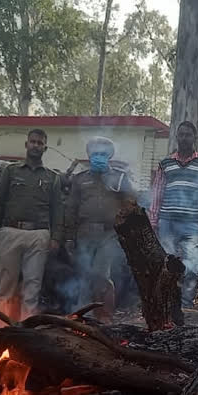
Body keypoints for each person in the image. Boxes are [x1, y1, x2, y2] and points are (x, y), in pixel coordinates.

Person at [0, 129, 62, 322]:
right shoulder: (11, 171)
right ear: (26, 144)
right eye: (33, 142)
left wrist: (55, 237)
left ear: (45, 147)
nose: (36, 145)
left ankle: (26, 334)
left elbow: (57, 209)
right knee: (5, 285)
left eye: (40, 143)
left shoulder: (52, 177)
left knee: (32, 286)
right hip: (10, 232)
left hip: (39, 235)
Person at [63, 136, 135, 323]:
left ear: (110, 155)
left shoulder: (119, 178)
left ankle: (104, 317)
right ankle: (79, 317)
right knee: (83, 274)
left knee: (102, 276)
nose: (99, 157)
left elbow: (131, 204)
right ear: (88, 155)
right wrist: (69, 238)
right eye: (95, 153)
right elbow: (71, 209)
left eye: (103, 153)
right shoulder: (80, 180)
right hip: (85, 233)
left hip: (109, 235)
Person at [148, 121, 198, 310]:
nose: (184, 138)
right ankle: (166, 304)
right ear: (176, 137)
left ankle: (186, 305)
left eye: (188, 135)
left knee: (193, 265)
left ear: (195, 138)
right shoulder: (165, 164)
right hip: (167, 224)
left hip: (192, 225)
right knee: (167, 265)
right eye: (181, 134)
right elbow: (157, 193)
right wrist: (153, 222)